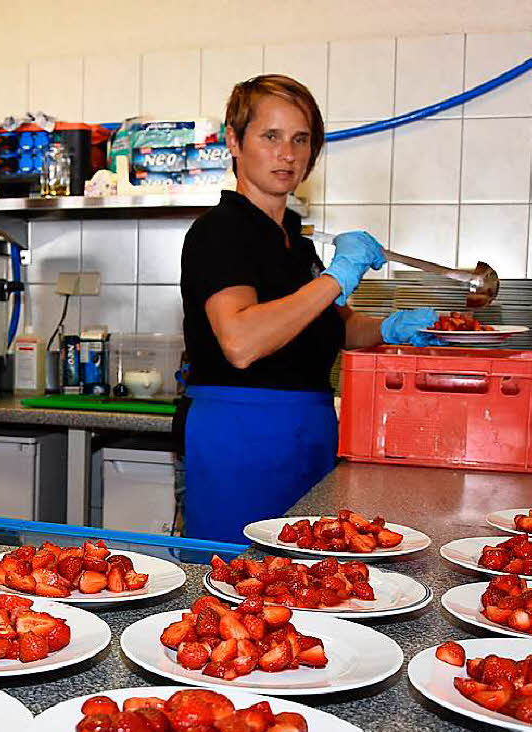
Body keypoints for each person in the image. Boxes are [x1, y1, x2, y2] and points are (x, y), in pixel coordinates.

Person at [180, 74, 440, 544]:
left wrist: (392, 327)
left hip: (310, 435)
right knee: (235, 588)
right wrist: (336, 278)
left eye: (301, 139)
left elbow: (338, 329)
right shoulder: (217, 233)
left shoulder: (298, 246)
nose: (288, 153)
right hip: (242, 439)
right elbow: (240, 342)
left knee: (310, 588)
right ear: (235, 142)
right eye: (271, 136)